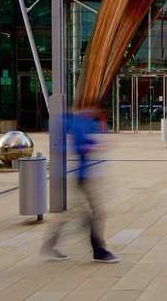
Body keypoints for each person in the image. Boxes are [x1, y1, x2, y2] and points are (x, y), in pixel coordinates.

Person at [40, 105, 120, 263]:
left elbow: (85, 141)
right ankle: (98, 251)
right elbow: (78, 147)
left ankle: (50, 246)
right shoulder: (78, 123)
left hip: (84, 176)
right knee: (90, 214)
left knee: (84, 214)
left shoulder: (82, 122)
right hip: (81, 177)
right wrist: (93, 146)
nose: (95, 111)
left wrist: (95, 144)